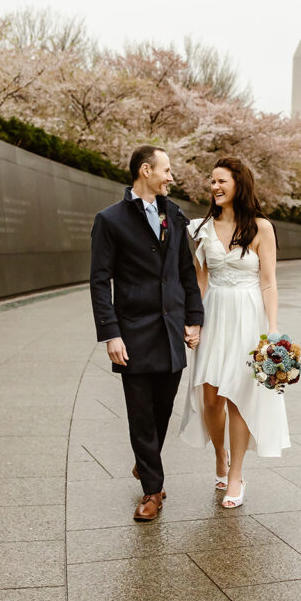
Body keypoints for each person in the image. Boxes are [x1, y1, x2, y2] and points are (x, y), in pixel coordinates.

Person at [89, 145, 204, 522]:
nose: (171, 176)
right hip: (133, 334)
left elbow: (186, 273)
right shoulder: (110, 220)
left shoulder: (175, 215)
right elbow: (99, 280)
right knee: (140, 415)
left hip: (172, 332)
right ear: (145, 171)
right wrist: (111, 333)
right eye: (166, 170)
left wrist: (194, 318)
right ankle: (152, 491)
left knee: (162, 410)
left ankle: (145, 460)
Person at [179, 157, 291, 508]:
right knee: (210, 397)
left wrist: (272, 330)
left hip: (247, 316)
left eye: (222, 181)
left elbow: (269, 283)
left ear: (239, 184)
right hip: (213, 312)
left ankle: (237, 474)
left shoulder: (261, 228)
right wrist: (193, 320)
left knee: (239, 397)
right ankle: (220, 454)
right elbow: (200, 280)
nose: (214, 187)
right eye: (211, 181)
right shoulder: (198, 229)